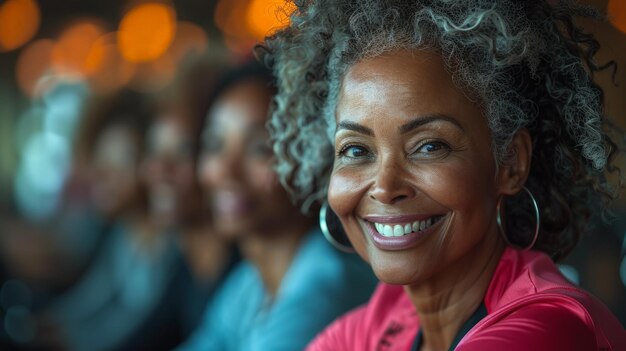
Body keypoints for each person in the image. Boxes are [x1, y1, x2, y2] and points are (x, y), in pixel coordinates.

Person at [259, 0, 626, 350]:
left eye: (429, 146)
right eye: (356, 150)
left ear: (510, 163)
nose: (385, 187)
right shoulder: (376, 324)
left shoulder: (548, 327)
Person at [178, 61, 378, 351]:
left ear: (312, 161)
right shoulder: (249, 284)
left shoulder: (324, 291)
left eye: (259, 148)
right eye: (214, 144)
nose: (225, 171)